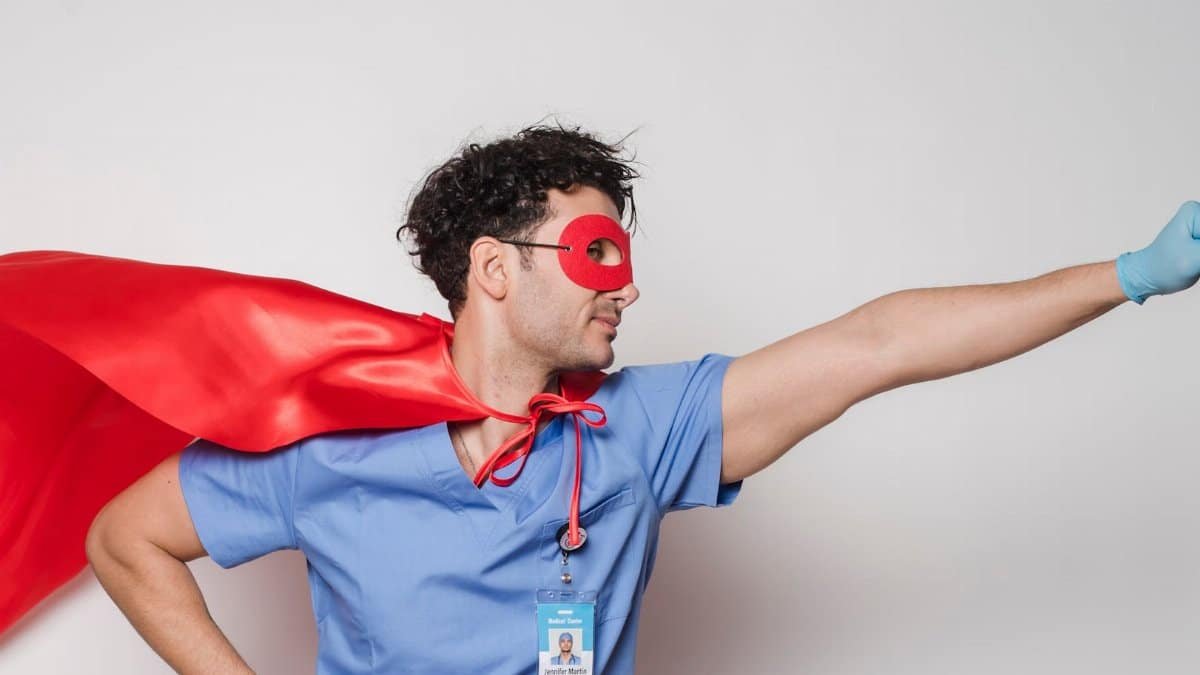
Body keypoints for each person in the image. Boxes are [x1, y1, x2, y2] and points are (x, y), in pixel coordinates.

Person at [82, 123, 1200, 673]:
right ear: (493, 268)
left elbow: (880, 343)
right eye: (594, 253)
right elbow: (127, 538)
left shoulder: (644, 429)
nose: (626, 285)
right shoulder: (327, 442)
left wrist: (1127, 277)